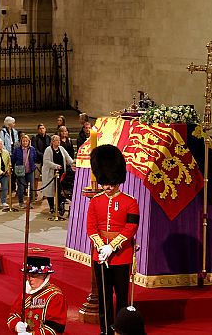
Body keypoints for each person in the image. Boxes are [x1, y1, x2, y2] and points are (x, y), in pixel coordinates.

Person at [86, 144, 140, 335]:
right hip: (100, 256)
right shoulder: (95, 201)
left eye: (110, 183)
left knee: (122, 297)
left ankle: (121, 330)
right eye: (104, 183)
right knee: (104, 297)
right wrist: (102, 248)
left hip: (122, 256)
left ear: (117, 180)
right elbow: (91, 228)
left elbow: (131, 228)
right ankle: (106, 330)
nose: (106, 187)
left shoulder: (130, 202)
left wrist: (113, 247)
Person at [6, 256, 66, 335]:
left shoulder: (55, 296)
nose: (30, 279)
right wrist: (16, 325)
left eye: (34, 275)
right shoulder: (26, 293)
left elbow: (56, 328)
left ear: (44, 275)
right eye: (28, 275)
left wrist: (32, 334)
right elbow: (13, 314)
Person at [41, 135, 74, 215]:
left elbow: (68, 158)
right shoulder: (48, 150)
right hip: (51, 173)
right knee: (50, 190)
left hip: (61, 173)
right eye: (56, 140)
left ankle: (59, 205)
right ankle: (51, 206)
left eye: (59, 140)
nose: (58, 141)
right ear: (52, 141)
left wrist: (73, 163)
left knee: (60, 189)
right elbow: (46, 161)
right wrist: (55, 166)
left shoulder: (61, 149)